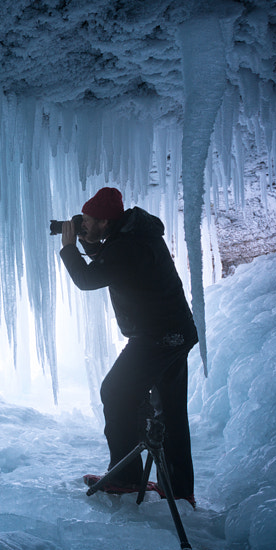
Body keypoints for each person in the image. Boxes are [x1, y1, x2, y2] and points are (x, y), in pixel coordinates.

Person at [57, 186, 198, 506]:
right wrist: (89, 245)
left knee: (116, 392)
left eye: (89, 221)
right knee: (171, 410)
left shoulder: (127, 245)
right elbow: (113, 264)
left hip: (157, 336)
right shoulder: (134, 236)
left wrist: (69, 249)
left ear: (106, 222)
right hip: (176, 333)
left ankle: (126, 478)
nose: (83, 226)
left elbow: (88, 280)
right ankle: (177, 488)